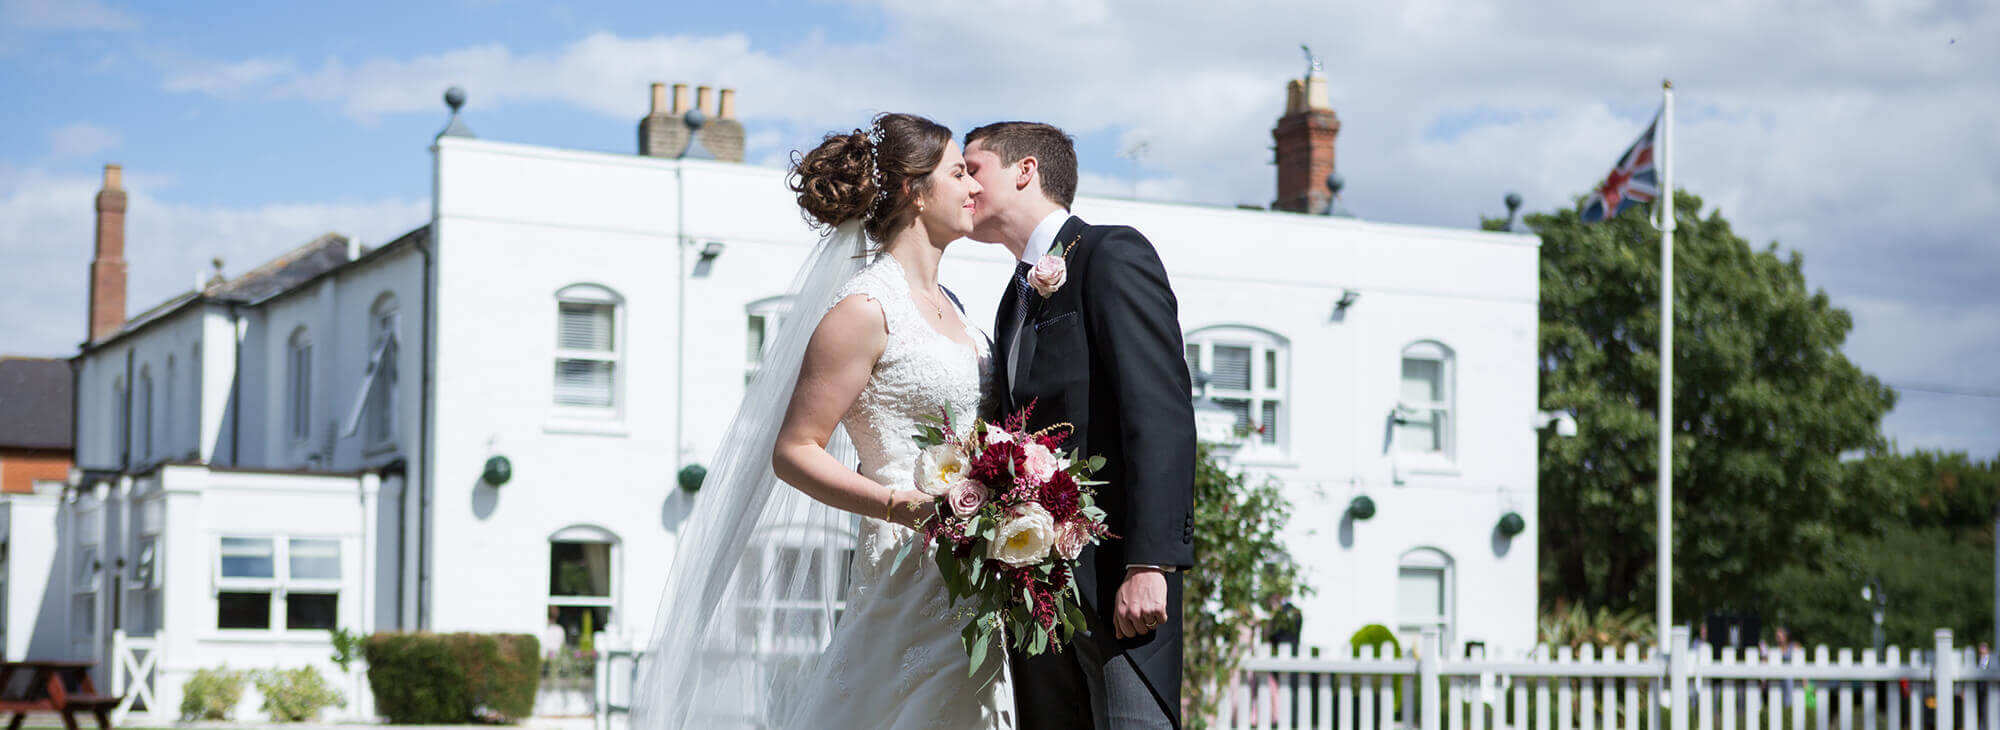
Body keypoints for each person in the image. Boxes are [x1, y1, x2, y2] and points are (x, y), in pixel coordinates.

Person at [632, 113, 1011, 730]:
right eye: (959, 173)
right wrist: (900, 505)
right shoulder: (864, 309)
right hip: (908, 561)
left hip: (980, 569)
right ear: (916, 191)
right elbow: (794, 449)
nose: (974, 187)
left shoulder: (959, 311)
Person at [965, 121, 1197, 730]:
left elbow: (1160, 412)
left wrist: (1152, 564)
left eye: (973, 167)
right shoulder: (1012, 297)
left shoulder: (1111, 253)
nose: (963, 184)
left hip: (1118, 586)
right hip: (1037, 595)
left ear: (1026, 170)